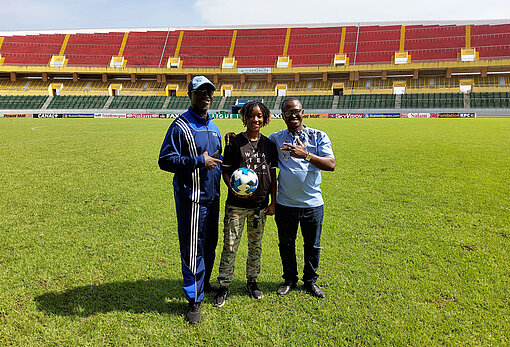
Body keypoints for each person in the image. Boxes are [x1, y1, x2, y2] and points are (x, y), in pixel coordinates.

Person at [158, 76, 222, 324]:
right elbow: (165, 160)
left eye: (209, 92)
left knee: (209, 245)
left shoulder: (213, 127)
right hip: (192, 200)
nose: (206, 95)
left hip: (213, 198)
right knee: (193, 249)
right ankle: (194, 300)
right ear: (190, 94)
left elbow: (216, 160)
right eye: (200, 92)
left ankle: (204, 284)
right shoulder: (180, 126)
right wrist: (197, 161)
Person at [268, 97, 335, 299]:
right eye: (288, 112)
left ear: (303, 112)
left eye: (296, 111)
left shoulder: (318, 136)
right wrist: (236, 139)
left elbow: (330, 164)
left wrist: (305, 155)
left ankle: (310, 282)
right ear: (282, 116)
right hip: (285, 203)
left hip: (313, 204)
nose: (293, 115)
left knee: (312, 245)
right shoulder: (275, 138)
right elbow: (256, 147)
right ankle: (289, 280)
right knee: (286, 244)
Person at [214, 101, 277, 308]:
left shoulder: (269, 145)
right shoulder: (234, 142)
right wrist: (232, 187)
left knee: (255, 246)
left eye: (260, 116)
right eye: (252, 115)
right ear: (245, 117)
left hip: (260, 205)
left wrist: (273, 202)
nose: (256, 119)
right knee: (230, 245)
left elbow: (273, 176)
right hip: (236, 206)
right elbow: (226, 170)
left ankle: (252, 281)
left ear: (265, 118)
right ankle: (224, 285)